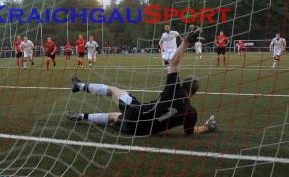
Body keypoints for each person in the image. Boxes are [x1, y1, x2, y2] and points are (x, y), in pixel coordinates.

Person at [65, 25, 217, 136]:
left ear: (182, 84)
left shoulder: (174, 89)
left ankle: (79, 86)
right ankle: (82, 116)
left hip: (137, 112)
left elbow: (174, 63)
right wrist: (205, 127)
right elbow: (190, 132)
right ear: (194, 94)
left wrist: (185, 44)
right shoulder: (191, 113)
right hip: (138, 130)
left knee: (113, 90)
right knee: (113, 116)